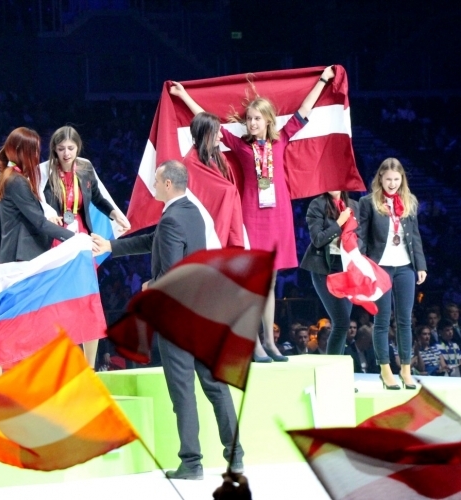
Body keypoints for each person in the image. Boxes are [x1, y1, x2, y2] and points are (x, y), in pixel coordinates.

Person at [169, 65, 335, 362]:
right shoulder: (238, 144)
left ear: (268, 120)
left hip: (278, 216)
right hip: (250, 217)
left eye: (257, 118)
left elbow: (304, 111)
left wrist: (323, 80)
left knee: (270, 282)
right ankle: (254, 344)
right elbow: (209, 120)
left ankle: (270, 342)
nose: (252, 122)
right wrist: (183, 96)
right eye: (249, 118)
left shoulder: (281, 139)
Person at [92, 160, 244, 480]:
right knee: (215, 386)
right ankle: (236, 455)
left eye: (157, 179)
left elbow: (172, 272)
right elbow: (154, 241)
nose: (153, 183)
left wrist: (151, 286)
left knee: (183, 391)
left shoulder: (172, 218)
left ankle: (191, 462)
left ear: (168, 185)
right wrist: (112, 247)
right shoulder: (188, 212)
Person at [0, 127, 75, 379]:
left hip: (13, 257)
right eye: (35, 149)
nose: (38, 154)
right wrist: (75, 239)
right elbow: (38, 223)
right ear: (24, 150)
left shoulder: (7, 176)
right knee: (25, 321)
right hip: (23, 259)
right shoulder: (16, 181)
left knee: (22, 320)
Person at [44, 125, 130, 368]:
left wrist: (114, 213)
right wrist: (48, 211)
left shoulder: (85, 167)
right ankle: (60, 363)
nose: (67, 153)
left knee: (88, 301)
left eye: (71, 148)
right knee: (59, 304)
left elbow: (99, 198)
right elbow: (37, 202)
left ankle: (90, 367)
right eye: (61, 149)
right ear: (55, 150)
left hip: (82, 241)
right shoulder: (46, 172)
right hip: (57, 241)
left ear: (78, 148)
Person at [358, 158, 427, 390]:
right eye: (388, 179)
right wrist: (362, 264)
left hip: (405, 266)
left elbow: (415, 236)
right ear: (380, 178)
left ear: (402, 180)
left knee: (405, 321)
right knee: (382, 320)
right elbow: (362, 237)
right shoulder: (367, 202)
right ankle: (385, 369)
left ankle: (406, 370)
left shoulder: (409, 201)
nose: (392, 184)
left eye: (397, 180)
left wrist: (421, 265)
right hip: (380, 267)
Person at [301, 191, 359, 354]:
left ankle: (336, 364)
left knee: (343, 324)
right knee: (342, 321)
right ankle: (333, 365)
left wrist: (354, 242)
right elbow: (318, 239)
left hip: (347, 267)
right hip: (324, 267)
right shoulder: (317, 205)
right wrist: (339, 223)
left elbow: (362, 236)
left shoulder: (354, 205)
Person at [183, 112, 244, 249]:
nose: (221, 136)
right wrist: (229, 191)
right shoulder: (191, 163)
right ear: (205, 133)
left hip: (227, 217)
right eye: (217, 132)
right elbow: (223, 191)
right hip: (206, 229)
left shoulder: (219, 157)